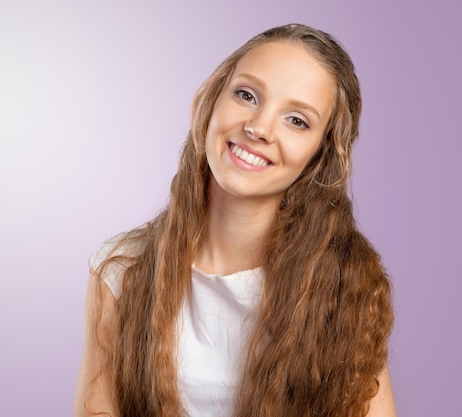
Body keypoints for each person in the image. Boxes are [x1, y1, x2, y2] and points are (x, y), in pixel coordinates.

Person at [74, 23, 396, 417]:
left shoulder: (346, 282)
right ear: (206, 101)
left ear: (320, 156)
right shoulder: (121, 267)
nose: (259, 128)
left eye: (297, 120)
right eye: (246, 95)